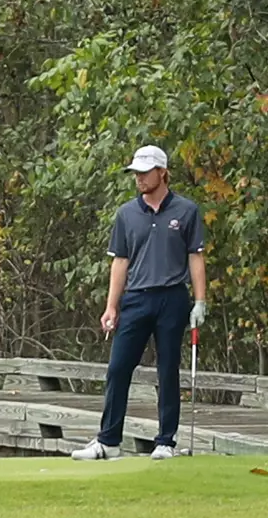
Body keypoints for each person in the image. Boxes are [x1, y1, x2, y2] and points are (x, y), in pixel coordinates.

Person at [74, 145, 209, 461]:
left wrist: (200, 301)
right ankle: (108, 441)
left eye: (145, 172)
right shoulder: (126, 214)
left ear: (162, 172)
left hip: (172, 297)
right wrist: (112, 306)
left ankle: (166, 441)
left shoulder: (186, 211)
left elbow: (195, 256)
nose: (139, 178)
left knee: (167, 371)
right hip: (136, 298)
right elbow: (120, 262)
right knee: (119, 368)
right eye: (136, 173)